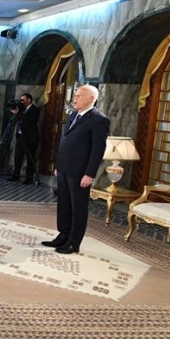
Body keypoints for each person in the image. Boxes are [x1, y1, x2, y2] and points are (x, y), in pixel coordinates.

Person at [41, 84, 110, 254]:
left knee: (78, 207)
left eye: (79, 96)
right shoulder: (73, 115)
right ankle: (63, 235)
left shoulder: (99, 119)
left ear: (91, 98)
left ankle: (74, 242)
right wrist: (58, 165)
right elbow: (65, 142)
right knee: (64, 205)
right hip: (64, 168)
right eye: (75, 95)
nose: (75, 98)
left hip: (80, 172)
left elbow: (97, 150)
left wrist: (89, 174)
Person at [9, 92, 40, 184]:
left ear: (29, 100)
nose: (21, 102)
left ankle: (29, 178)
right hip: (20, 137)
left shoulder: (35, 110)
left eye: (23, 100)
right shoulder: (21, 109)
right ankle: (16, 175)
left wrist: (18, 114)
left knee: (30, 159)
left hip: (30, 138)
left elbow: (28, 120)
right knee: (17, 157)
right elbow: (19, 119)